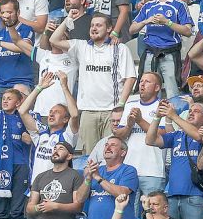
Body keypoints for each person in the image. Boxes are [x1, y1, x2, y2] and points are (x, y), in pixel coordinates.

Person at [49, 15, 137, 155]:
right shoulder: (81, 46)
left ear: (109, 28)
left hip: (111, 111)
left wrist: (120, 105)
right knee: (90, 157)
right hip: (88, 111)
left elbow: (130, 78)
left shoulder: (120, 49)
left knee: (111, 155)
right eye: (92, 25)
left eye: (98, 25)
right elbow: (53, 40)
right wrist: (67, 20)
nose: (94, 28)